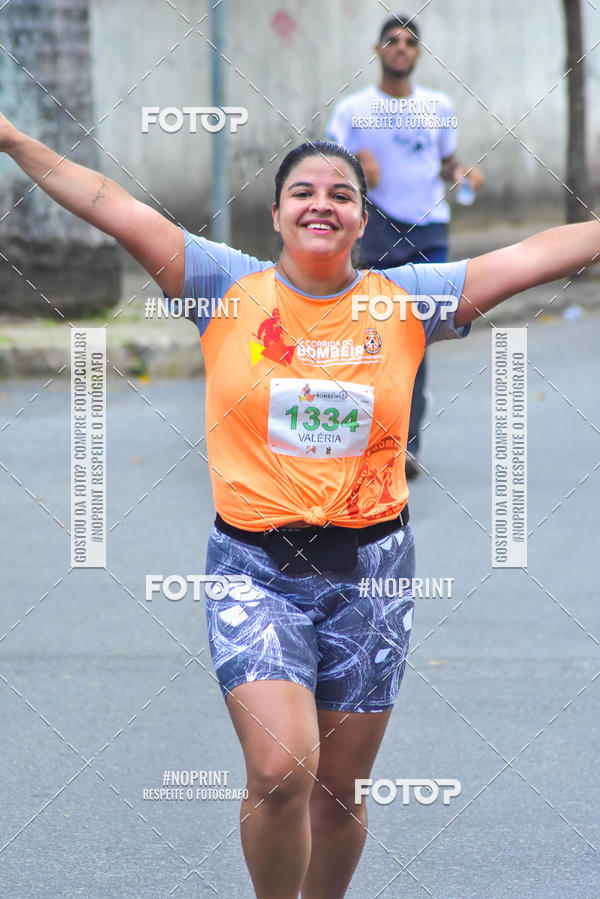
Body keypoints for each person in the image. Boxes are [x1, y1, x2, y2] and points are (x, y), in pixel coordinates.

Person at [1, 113, 598, 898]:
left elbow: (530, 254)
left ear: (361, 216)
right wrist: (13, 140)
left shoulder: (407, 299)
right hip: (255, 567)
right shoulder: (221, 284)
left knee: (338, 795)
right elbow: (108, 200)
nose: (322, 204)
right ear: (277, 212)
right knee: (282, 772)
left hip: (372, 574)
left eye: (341, 194)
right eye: (303, 192)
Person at [326, 13, 484, 478]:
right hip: (376, 231)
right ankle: (360, 436)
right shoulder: (354, 110)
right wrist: (355, 166)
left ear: (417, 54)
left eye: (410, 43)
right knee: (371, 338)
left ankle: (406, 444)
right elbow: (325, 163)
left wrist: (463, 174)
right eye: (392, 41)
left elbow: (448, 160)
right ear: (378, 51)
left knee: (413, 339)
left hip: (430, 231)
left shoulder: (439, 106)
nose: (401, 48)